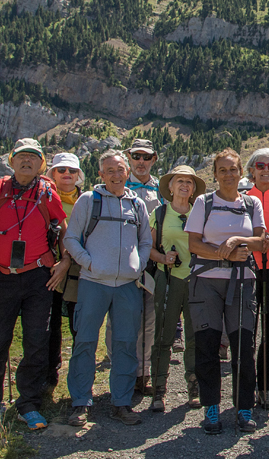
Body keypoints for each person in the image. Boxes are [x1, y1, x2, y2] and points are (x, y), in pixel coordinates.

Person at [0, 139, 69, 431]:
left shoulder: (48, 192)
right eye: (22, 157)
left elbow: (61, 227)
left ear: (41, 164)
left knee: (36, 341)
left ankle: (29, 403)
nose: (27, 162)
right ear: (11, 161)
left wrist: (64, 262)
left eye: (33, 158)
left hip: (39, 276)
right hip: (2, 276)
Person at [62, 150, 152, 426]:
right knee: (85, 342)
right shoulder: (89, 201)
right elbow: (71, 238)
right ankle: (80, 402)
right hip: (94, 284)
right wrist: (89, 264)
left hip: (127, 285)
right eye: (109, 170)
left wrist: (138, 267)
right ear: (100, 175)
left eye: (120, 170)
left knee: (126, 344)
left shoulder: (137, 205)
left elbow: (146, 241)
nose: (116, 175)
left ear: (128, 173)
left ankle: (121, 402)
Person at [185, 149, 266, 434]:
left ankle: (244, 408)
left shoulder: (251, 203)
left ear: (241, 171)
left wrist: (236, 240)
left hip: (243, 282)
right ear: (215, 174)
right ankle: (211, 408)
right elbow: (193, 244)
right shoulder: (203, 203)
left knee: (244, 347)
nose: (228, 174)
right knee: (207, 347)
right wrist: (226, 256)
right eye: (222, 170)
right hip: (205, 281)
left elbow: (261, 242)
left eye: (233, 169)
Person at [104, 138, 161, 396]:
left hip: (151, 266)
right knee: (119, 321)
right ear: (129, 157)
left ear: (153, 159)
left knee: (149, 321)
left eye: (146, 157)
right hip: (120, 265)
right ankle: (120, 371)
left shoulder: (162, 190)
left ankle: (143, 373)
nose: (141, 161)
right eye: (136, 156)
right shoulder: (115, 186)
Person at [149, 165, 205, 412]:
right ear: (170, 187)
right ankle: (159, 391)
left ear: (194, 189)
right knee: (163, 334)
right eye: (180, 181)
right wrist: (162, 259)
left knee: (194, 336)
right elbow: (147, 247)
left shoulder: (201, 213)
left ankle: (194, 387)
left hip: (196, 281)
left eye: (189, 182)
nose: (185, 185)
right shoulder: (160, 214)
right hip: (167, 278)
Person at [244, 148, 269, 410]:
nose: (266, 170)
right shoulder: (241, 199)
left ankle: (266, 388)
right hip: (247, 269)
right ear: (251, 170)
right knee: (246, 330)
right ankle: (246, 389)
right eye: (261, 166)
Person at [47, 152, 83, 393]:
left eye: (71, 171)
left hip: (76, 270)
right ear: (52, 174)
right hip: (47, 269)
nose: (67, 174)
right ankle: (50, 377)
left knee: (77, 324)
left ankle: (79, 381)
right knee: (49, 327)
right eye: (61, 170)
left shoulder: (86, 200)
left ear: (79, 175)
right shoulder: (43, 198)